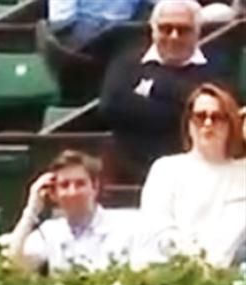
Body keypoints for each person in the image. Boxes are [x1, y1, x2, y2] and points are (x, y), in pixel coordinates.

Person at [99, 0, 231, 180]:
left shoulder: (217, 67)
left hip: (198, 174)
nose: (174, 36)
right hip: (133, 171)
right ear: (153, 31)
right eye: (166, 28)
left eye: (183, 30)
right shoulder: (126, 63)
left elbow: (219, 112)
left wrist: (155, 87)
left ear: (197, 32)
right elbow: (110, 108)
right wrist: (185, 103)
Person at [137, 83, 246, 267]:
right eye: (200, 117)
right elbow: (158, 229)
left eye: (217, 117)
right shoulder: (166, 169)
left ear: (231, 124)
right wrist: (195, 263)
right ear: (189, 123)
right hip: (174, 270)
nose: (208, 124)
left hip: (230, 273)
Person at [3, 150, 138, 274]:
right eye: (64, 185)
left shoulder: (127, 225)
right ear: (54, 194)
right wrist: (32, 209)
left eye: (80, 184)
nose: (72, 192)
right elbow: (15, 264)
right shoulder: (49, 232)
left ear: (95, 187)